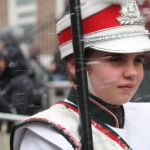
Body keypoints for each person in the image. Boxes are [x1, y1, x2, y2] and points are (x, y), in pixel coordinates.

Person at [10, 0, 150, 150]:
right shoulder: (48, 136)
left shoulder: (145, 114)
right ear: (76, 65)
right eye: (116, 59)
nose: (133, 73)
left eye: (138, 60)